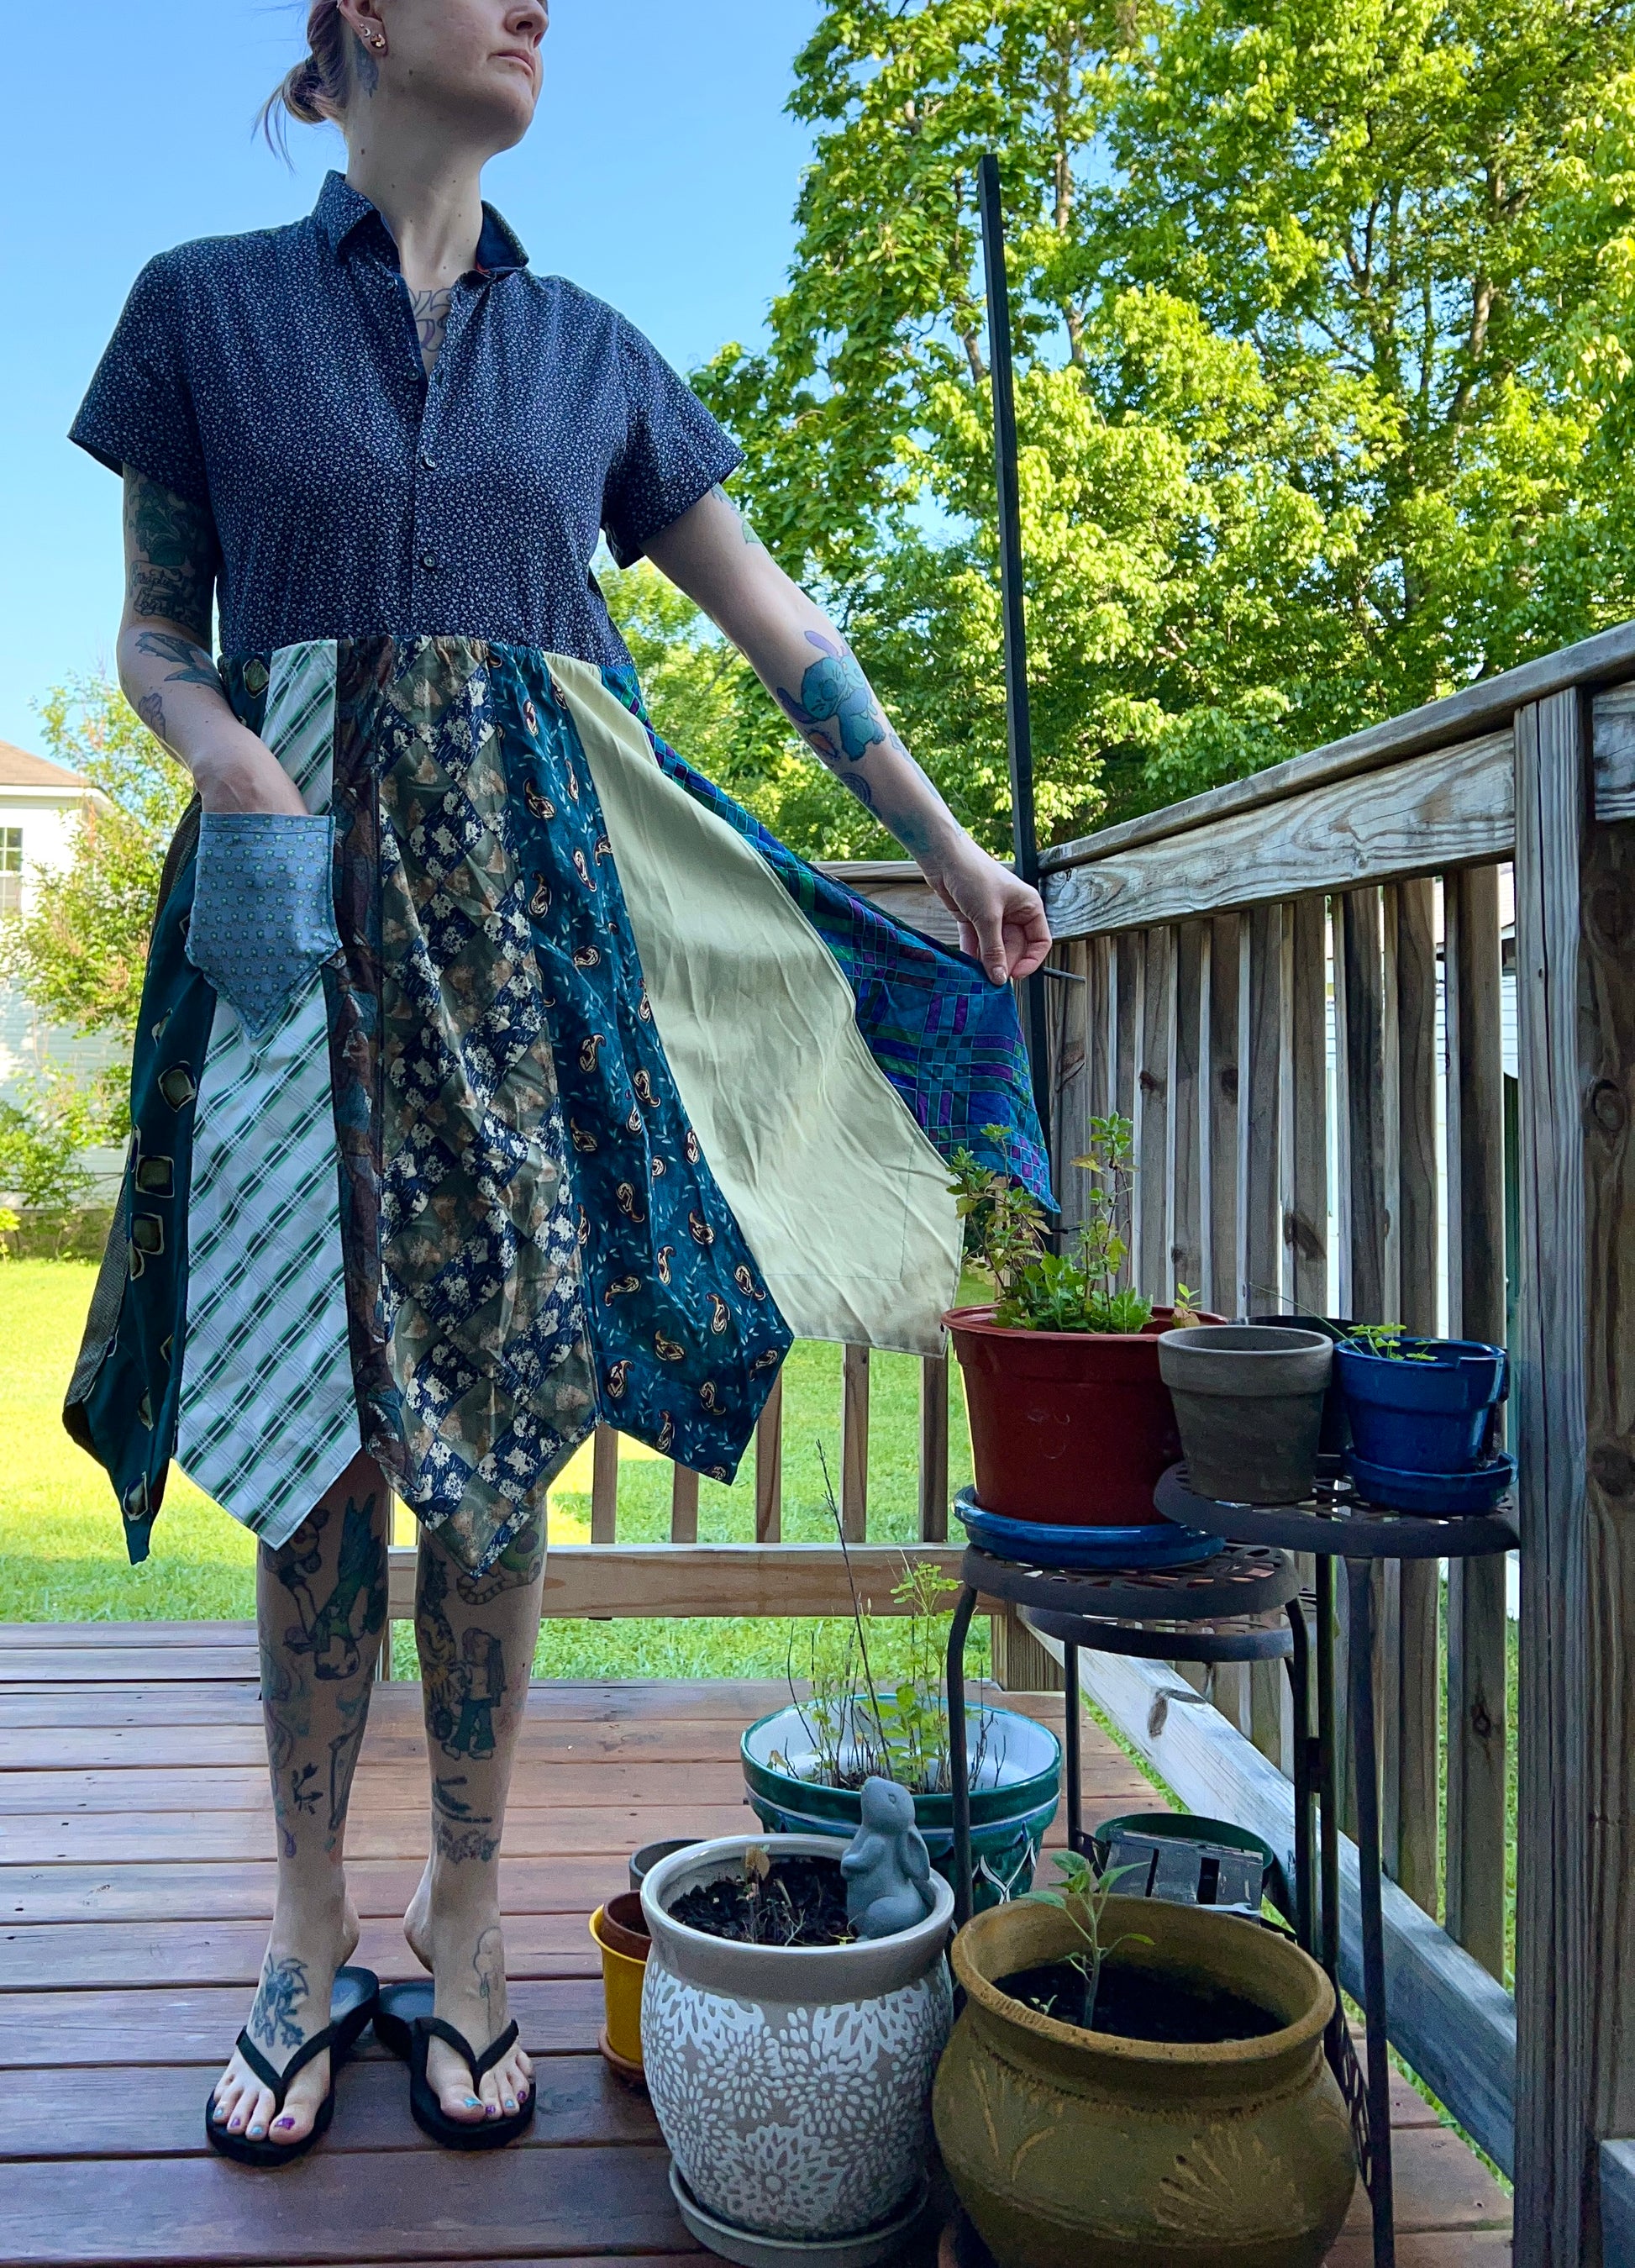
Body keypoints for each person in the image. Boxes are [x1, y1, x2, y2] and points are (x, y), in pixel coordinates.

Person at [65, 0, 1053, 2166]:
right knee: (302, 1422)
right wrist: (214, 741)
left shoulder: (591, 347)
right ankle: (308, 1922)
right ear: (352, 23)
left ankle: (472, 1906)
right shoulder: (201, 312)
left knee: (500, 1446)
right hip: (285, 930)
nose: (538, 10)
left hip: (526, 957)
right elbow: (152, 627)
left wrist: (952, 843)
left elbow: (785, 628)